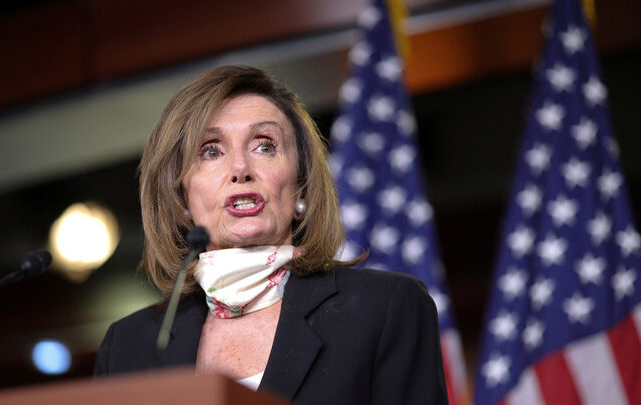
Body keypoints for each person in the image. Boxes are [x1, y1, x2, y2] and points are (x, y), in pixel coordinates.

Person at [94, 65, 448, 405]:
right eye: (211, 151)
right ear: (181, 198)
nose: (240, 168)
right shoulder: (128, 347)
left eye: (264, 146)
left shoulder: (384, 309)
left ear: (301, 186)